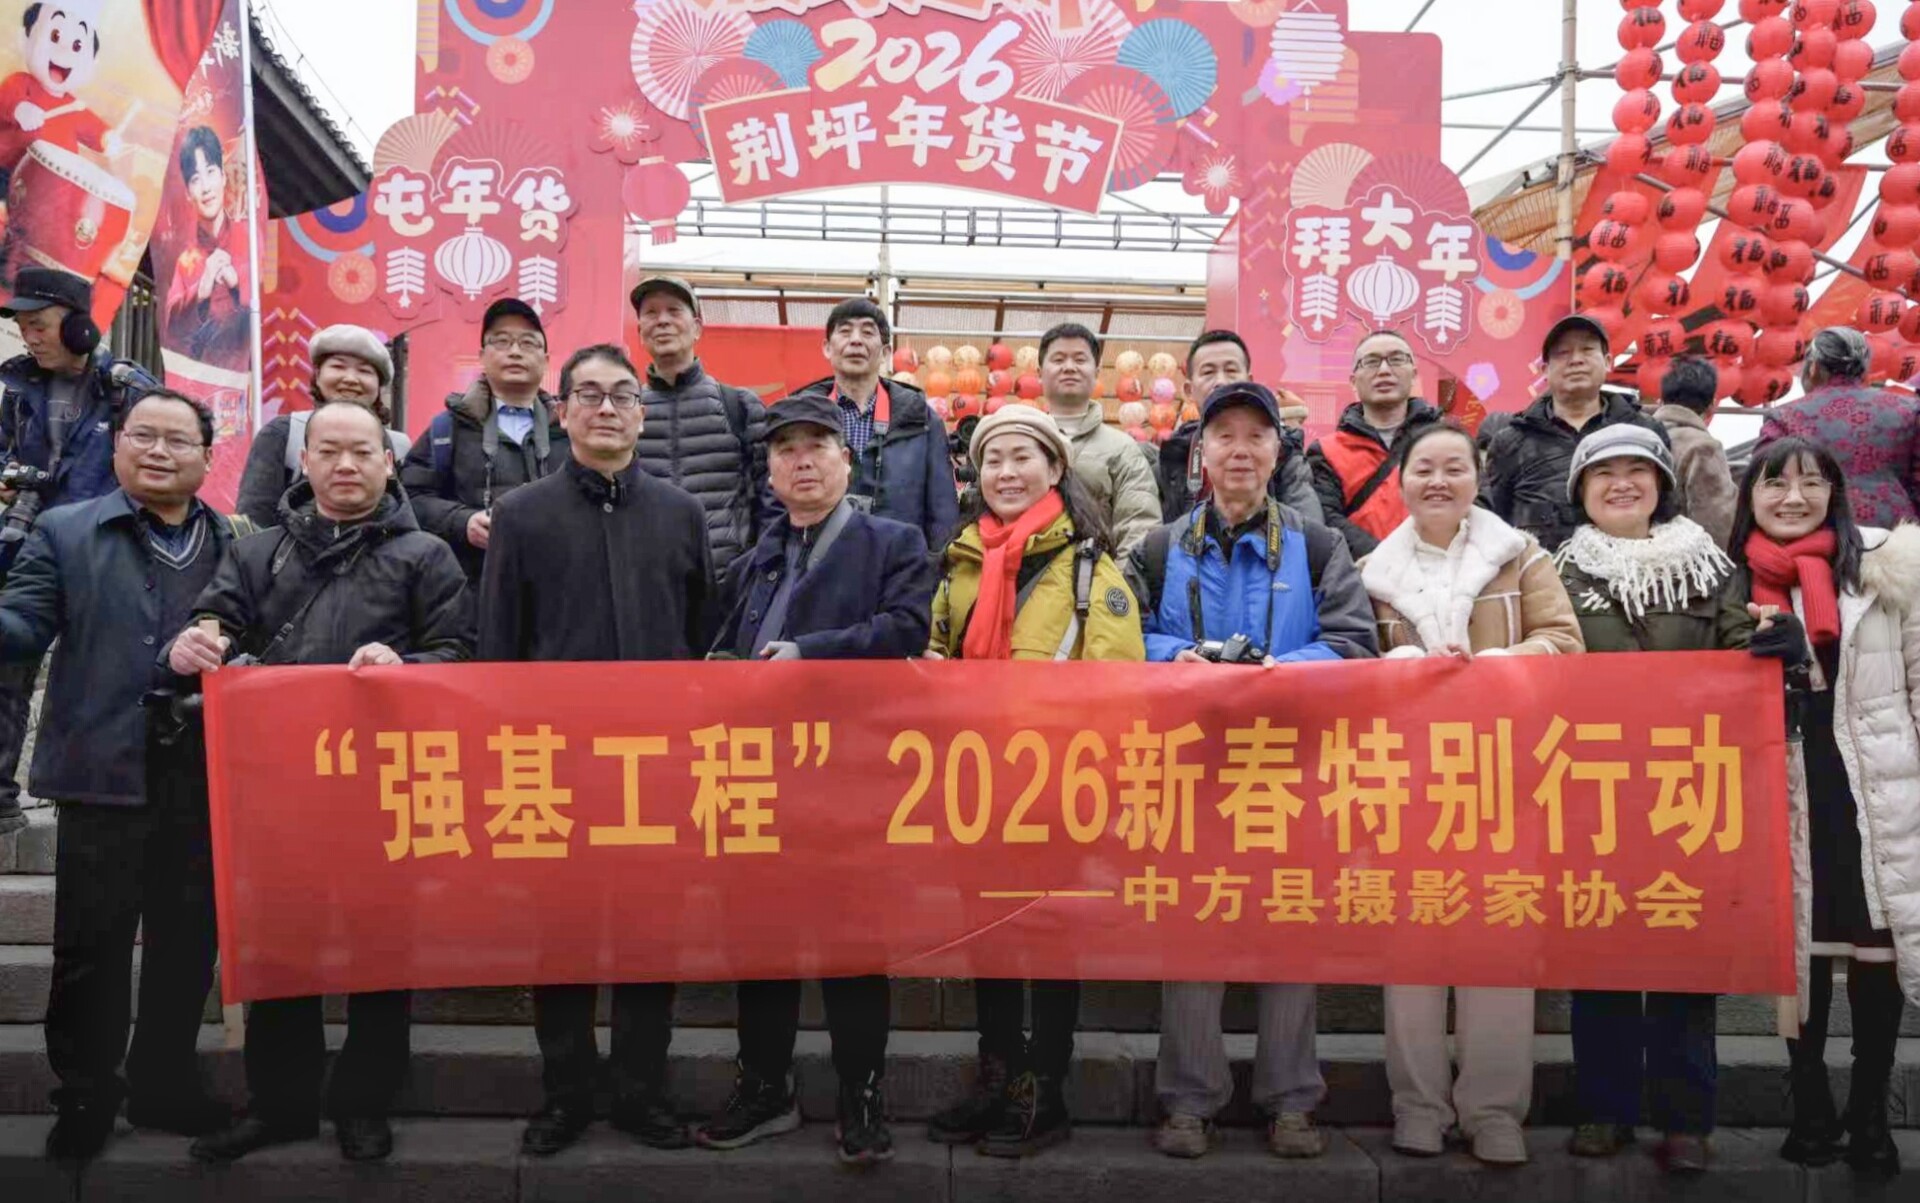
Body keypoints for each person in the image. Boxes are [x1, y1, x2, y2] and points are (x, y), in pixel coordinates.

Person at [168, 402, 473, 1164]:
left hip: (387, 788)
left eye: (362, 451)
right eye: (328, 450)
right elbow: (214, 623)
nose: (345, 465)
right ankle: (280, 1103)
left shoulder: (427, 556)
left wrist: (409, 667)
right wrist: (197, 643)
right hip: (281, 789)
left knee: (382, 951)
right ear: (303, 462)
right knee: (281, 948)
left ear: (388, 462)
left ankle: (365, 1101)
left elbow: (462, 655)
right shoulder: (257, 552)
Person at [1128, 380, 1377, 1161]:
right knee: (1192, 934)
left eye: (1256, 436)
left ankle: (1292, 1099)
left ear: (1278, 451)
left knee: (1290, 932)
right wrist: (1180, 656)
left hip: (1289, 766)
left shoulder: (1319, 546)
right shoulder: (1158, 547)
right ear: (1200, 452)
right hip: (1190, 769)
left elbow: (1353, 642)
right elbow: (1121, 635)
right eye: (1224, 435)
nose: (1239, 450)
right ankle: (1188, 1099)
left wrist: (1283, 670)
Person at [477, 344, 712, 1157]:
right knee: (562, 937)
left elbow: (701, 636)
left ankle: (642, 1090)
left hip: (658, 767)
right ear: (562, 412)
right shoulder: (522, 514)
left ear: (642, 414)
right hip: (556, 768)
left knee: (653, 937)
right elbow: (499, 644)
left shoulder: (681, 513)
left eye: (622, 395)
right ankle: (567, 1092)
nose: (606, 408)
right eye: (589, 394)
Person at [1553, 422, 1802, 1175]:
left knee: (1687, 954)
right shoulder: (1556, 570)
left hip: (1686, 789)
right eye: (1603, 472)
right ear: (1581, 490)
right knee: (1599, 954)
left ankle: (1685, 1117)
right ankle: (1603, 1107)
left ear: (1662, 483)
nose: (1621, 483)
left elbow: (1739, 650)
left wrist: (1772, 646)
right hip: (1589, 789)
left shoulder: (1709, 565)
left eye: (1638, 469)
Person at [0, 390, 237, 1159]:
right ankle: (85, 1092)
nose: (159, 451)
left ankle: (164, 1080)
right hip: (101, 772)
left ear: (207, 456)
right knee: (89, 947)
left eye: (178, 439)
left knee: (187, 944)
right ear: (117, 445)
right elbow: (24, 624)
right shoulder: (67, 530)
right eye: (144, 436)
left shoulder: (237, 541)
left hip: (203, 779)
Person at [699, 395, 934, 1165]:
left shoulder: (891, 542)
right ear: (769, 472)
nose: (801, 461)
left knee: (853, 947)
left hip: (850, 780)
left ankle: (861, 1092)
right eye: (785, 449)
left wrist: (811, 652)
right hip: (759, 781)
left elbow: (905, 628)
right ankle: (764, 1084)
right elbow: (722, 641)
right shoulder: (756, 557)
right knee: (759, 943)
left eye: (816, 446)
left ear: (847, 460)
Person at [1357, 421, 1584, 1166]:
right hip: (1406, 782)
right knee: (1411, 949)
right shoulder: (1370, 571)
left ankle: (1492, 1110)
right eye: (1424, 468)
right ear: (1401, 482)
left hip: (1504, 776)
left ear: (1478, 477)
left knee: (1499, 945)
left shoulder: (1521, 556)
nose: (1439, 481)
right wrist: (1404, 665)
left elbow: (1565, 642)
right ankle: (1418, 1105)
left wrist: (1494, 665)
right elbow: (1351, 663)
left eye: (1454, 467)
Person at [923, 405, 1143, 1157]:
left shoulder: (1090, 568)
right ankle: (998, 1074)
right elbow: (936, 656)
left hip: (1057, 796)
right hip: (975, 791)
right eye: (993, 459)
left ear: (1055, 469)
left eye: (1022, 457)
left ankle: (1043, 1090)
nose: (1006, 472)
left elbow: (1118, 689)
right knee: (985, 940)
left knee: (1048, 944)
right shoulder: (961, 563)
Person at [1727, 437, 1918, 1178]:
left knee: (1877, 950)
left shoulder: (1888, 567)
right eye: (1774, 484)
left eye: (1811, 483)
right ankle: (1808, 1100)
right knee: (1796, 945)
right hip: (1777, 786)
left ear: (1835, 493)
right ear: (1750, 497)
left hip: (1872, 785)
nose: (1792, 498)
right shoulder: (1728, 577)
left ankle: (1870, 1110)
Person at [0, 268, 155, 835]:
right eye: (22, 327)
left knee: (101, 675)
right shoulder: (17, 387)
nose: (30, 337)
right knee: (8, 665)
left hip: (105, 547)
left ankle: (92, 798)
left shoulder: (127, 388)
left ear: (79, 327)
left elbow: (157, 461)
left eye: (39, 324)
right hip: (26, 545)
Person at [400, 297, 569, 585]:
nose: (515, 352)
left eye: (528, 343)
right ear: (482, 356)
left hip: (557, 587)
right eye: (501, 341)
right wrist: (462, 522)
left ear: (547, 360)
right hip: (473, 589)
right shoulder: (449, 427)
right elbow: (410, 497)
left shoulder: (569, 428)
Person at [1481, 314, 1667, 553]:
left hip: (1631, 570)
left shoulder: (1644, 431)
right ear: (1545, 370)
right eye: (1563, 353)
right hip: (1542, 574)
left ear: (1607, 361)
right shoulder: (1512, 441)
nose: (1576, 360)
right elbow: (1490, 523)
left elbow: (1668, 513)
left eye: (1587, 350)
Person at [784, 298, 957, 550]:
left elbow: (943, 511)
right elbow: (777, 501)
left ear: (885, 353)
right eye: (845, 331)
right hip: (817, 566)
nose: (856, 340)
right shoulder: (797, 418)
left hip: (901, 566)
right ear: (827, 348)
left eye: (867, 332)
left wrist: (931, 566)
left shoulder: (921, 419)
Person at [632, 275, 773, 575]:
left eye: (674, 310)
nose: (662, 321)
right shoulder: (626, 412)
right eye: (651, 313)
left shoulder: (740, 406)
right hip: (648, 585)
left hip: (726, 584)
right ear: (640, 331)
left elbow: (770, 497)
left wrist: (755, 570)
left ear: (697, 328)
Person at [234, 325, 410, 530]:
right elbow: (254, 520)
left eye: (364, 371)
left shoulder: (399, 447)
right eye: (338, 367)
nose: (350, 379)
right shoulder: (283, 433)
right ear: (317, 376)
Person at [1757, 327, 1920, 528]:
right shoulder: (1909, 410)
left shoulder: (1785, 416)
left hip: (1817, 527)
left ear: (1813, 367)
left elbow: (1765, 481)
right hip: (1896, 530)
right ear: (1864, 368)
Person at [1155, 331, 1321, 524]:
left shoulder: (1285, 456)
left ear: (1248, 381)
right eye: (1208, 372)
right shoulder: (1172, 459)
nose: (1221, 381)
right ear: (1188, 390)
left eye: (1231, 371)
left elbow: (1308, 529)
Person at [1308, 328, 1444, 559]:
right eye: (1371, 362)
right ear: (1353, 381)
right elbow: (1325, 520)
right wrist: (1387, 560)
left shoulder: (1446, 441)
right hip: (1359, 575)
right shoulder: (1326, 451)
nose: (1384, 370)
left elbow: (1471, 504)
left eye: (1396, 359)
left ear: (1414, 375)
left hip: (1438, 570)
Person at [1035, 322, 1161, 557]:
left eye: (1080, 359)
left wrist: (1120, 580)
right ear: (1039, 373)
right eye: (1059, 359)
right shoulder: (1023, 439)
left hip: (1097, 576)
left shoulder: (1122, 448)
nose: (1069, 367)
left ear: (1096, 372)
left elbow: (1139, 526)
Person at [161, 126, 249, 367]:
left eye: (210, 172)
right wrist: (202, 288)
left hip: (247, 377)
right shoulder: (186, 260)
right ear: (188, 193)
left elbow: (268, 303)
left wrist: (237, 286)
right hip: (201, 377)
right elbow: (172, 327)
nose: (206, 187)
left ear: (223, 177)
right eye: (195, 179)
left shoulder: (250, 239)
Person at [1652, 357, 1737, 548]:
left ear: (1661, 401)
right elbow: (1716, 522)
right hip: (1681, 556)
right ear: (1712, 406)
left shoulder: (1641, 437)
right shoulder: (1704, 448)